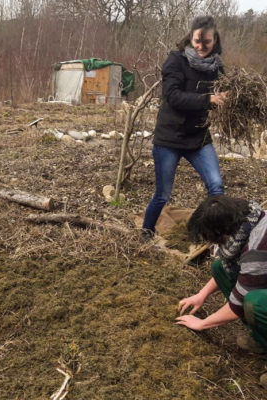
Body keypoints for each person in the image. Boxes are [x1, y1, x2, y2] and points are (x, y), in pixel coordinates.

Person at [142, 16, 227, 240]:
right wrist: (208, 99)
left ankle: (212, 237)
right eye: (196, 40)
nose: (200, 46)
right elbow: (173, 97)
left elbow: (224, 93)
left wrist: (230, 101)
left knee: (217, 188)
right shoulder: (175, 60)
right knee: (162, 195)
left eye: (206, 42)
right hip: (169, 139)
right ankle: (145, 234)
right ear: (190, 37)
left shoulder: (216, 67)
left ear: (215, 39)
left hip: (198, 138)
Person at [176, 195, 267, 387]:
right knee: (220, 268)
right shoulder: (248, 219)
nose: (212, 244)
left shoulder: (257, 248)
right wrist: (201, 295)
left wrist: (202, 324)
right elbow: (233, 272)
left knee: (255, 302)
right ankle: (262, 339)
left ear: (221, 232)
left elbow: (238, 304)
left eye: (211, 239)